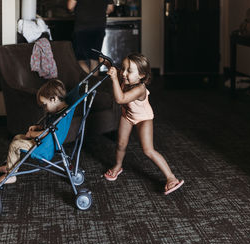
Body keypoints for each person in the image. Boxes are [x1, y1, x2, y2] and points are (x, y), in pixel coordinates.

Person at [104, 53, 184, 195]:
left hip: (143, 118)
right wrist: (105, 62)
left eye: (129, 71)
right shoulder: (125, 77)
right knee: (121, 144)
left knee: (148, 150)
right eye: (123, 69)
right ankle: (118, 166)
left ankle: (171, 177)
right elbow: (113, 68)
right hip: (127, 115)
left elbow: (120, 99)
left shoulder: (139, 88)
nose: (124, 73)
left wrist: (114, 79)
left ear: (141, 75)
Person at [0, 79, 69, 186]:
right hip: (44, 142)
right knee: (18, 137)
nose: (45, 109)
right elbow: (49, 128)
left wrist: (32, 134)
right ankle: (10, 166)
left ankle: (11, 175)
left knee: (16, 145)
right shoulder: (59, 111)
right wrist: (38, 127)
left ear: (54, 99)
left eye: (45, 104)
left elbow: (48, 133)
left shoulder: (60, 115)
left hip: (44, 148)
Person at [67, 0, 114, 75]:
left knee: (80, 59)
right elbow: (110, 8)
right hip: (99, 27)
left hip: (82, 27)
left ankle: (87, 83)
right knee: (94, 59)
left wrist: (75, 11)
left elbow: (70, 6)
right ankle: (93, 83)